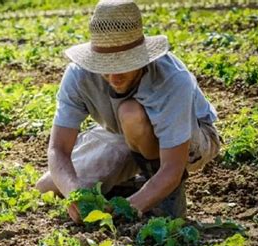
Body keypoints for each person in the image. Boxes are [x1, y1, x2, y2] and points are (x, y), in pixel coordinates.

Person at [35, 0, 221, 222]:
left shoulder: (172, 78)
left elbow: (172, 167)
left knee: (130, 113)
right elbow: (58, 150)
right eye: (105, 66)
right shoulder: (79, 75)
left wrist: (127, 209)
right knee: (48, 186)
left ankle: (159, 190)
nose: (114, 77)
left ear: (141, 56)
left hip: (189, 140)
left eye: (123, 65)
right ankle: (131, 184)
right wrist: (74, 195)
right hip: (124, 134)